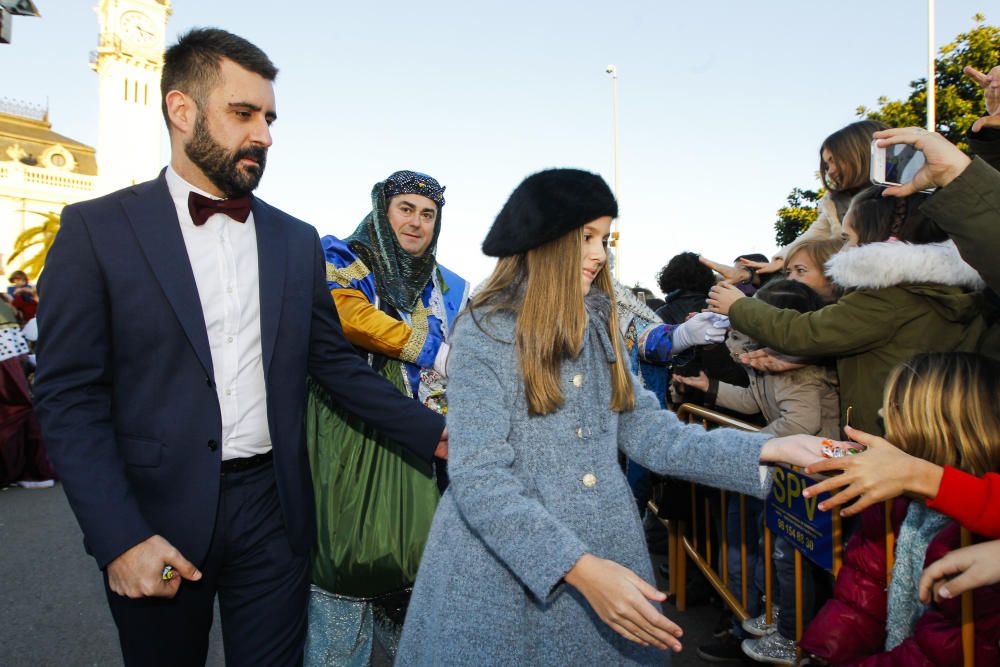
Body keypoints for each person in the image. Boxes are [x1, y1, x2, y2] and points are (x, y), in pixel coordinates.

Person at [33, 28, 446, 667]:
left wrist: (434, 433)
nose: (265, 134)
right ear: (182, 110)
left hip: (273, 513)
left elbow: (332, 362)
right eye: (243, 113)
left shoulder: (294, 239)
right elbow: (68, 397)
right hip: (155, 517)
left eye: (270, 118)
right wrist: (119, 539)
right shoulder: (97, 231)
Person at [394, 168, 825, 665]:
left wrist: (770, 448)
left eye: (604, 238)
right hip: (503, 575)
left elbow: (650, 430)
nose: (600, 254)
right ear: (541, 239)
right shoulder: (484, 331)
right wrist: (577, 568)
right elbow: (479, 476)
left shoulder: (600, 326)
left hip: (606, 549)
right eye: (585, 237)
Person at [304, 171, 468, 665]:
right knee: (346, 584)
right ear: (382, 210)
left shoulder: (450, 284)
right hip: (352, 442)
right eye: (405, 209)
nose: (416, 223)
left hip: (431, 452)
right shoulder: (344, 257)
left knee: (417, 598)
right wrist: (433, 351)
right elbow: (344, 311)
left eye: (428, 214)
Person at [707, 186, 987, 437]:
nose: (843, 251)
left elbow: (807, 332)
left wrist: (739, 306)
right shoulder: (926, 290)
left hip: (892, 438)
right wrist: (810, 360)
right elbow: (880, 352)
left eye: (848, 239)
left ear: (876, 241)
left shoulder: (887, 296)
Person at [797, 352, 1000, 665]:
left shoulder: (980, 538)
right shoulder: (892, 500)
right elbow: (859, 599)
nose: (880, 413)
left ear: (944, 424)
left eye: (896, 407)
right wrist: (823, 653)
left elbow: (942, 653)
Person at [675, 280, 839, 665]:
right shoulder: (767, 363)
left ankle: (791, 636)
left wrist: (750, 448)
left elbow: (799, 422)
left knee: (789, 557)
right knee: (777, 550)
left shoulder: (799, 373)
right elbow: (752, 403)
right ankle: (782, 617)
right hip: (792, 473)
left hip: (816, 475)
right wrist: (710, 386)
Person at [742, 119, 887, 276]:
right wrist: (781, 259)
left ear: (859, 154)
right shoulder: (833, 202)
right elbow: (816, 234)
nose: (830, 171)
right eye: (826, 165)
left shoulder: (903, 191)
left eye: (833, 161)